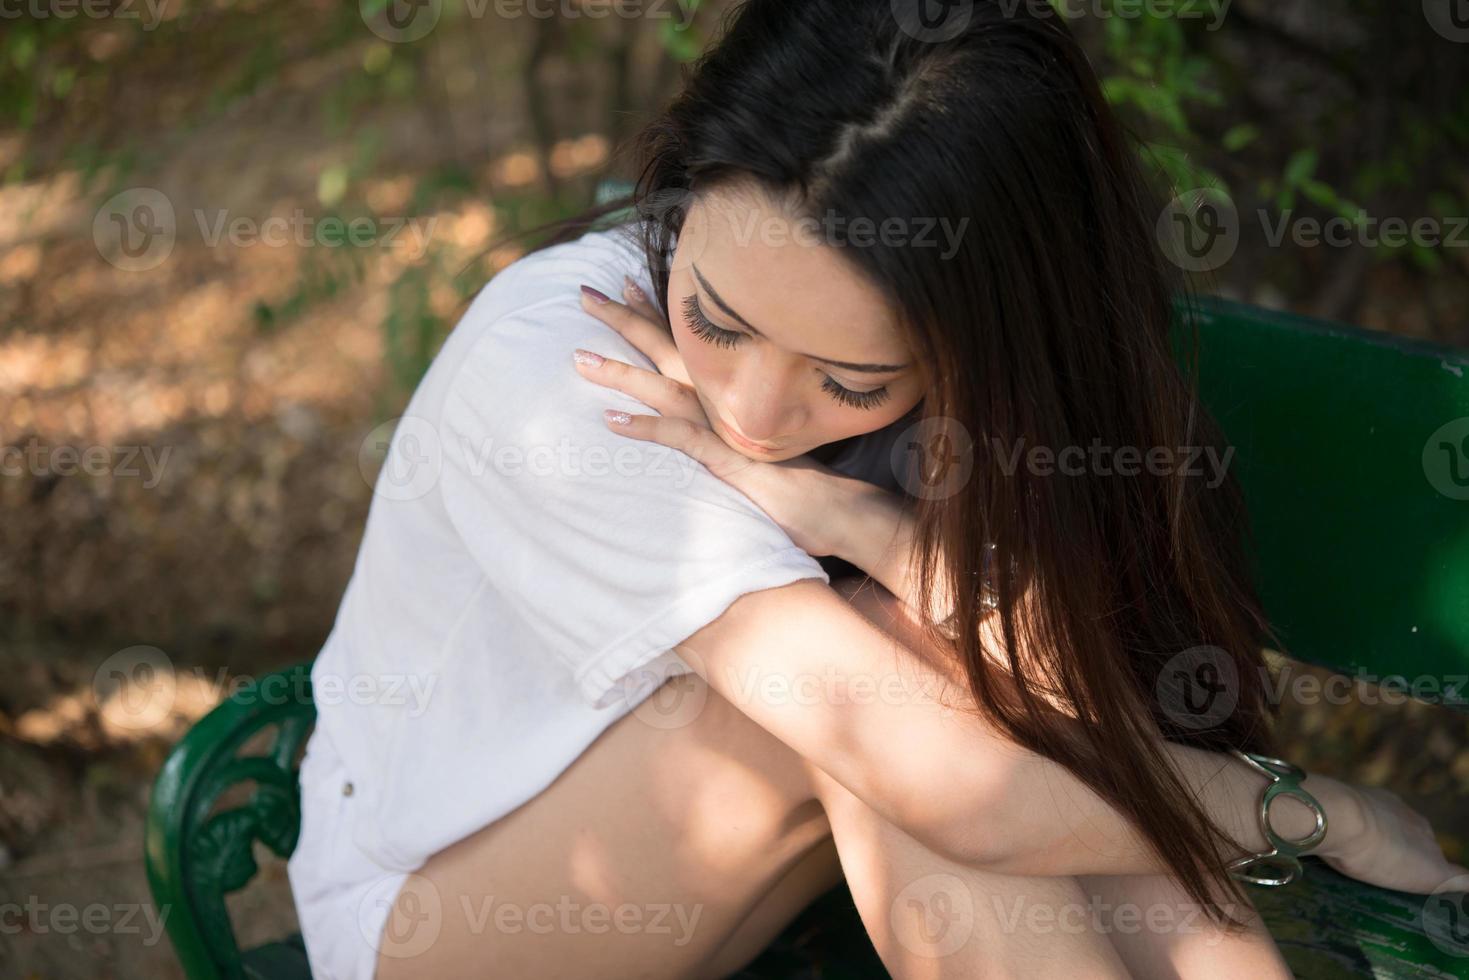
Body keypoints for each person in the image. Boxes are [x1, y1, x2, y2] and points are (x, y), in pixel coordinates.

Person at [286, 2, 1468, 978]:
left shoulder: (964, 397)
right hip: (427, 909)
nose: (748, 412)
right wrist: (1308, 810)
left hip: (752, 857)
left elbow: (1051, 695)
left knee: (917, 677)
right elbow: (954, 787)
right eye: (714, 318)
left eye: (848, 380)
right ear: (675, 190)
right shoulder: (569, 375)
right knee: (861, 705)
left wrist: (857, 517)